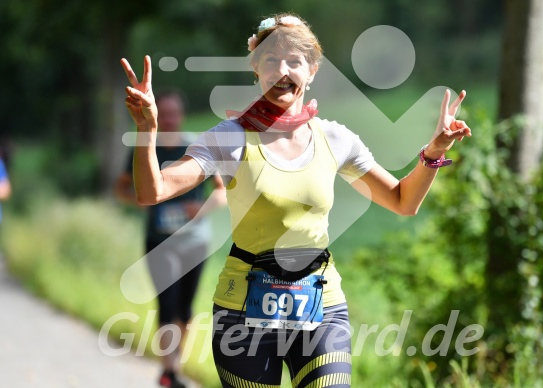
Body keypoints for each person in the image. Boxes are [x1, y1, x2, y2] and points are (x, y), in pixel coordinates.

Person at [120, 13, 471, 388]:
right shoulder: (229, 139)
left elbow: (403, 201)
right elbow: (152, 191)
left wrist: (433, 153)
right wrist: (147, 131)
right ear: (256, 69)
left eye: (294, 60)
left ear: (313, 70)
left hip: (321, 304)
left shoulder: (337, 140)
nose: (282, 70)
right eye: (270, 60)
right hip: (243, 311)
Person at [114, 89, 226, 388]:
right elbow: (121, 188)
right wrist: (139, 199)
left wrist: (200, 208)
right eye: (164, 113)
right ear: (156, 116)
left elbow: (222, 191)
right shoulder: (144, 149)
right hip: (159, 241)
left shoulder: (196, 147)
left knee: (186, 310)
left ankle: (174, 365)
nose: (170, 119)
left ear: (182, 114)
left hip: (195, 242)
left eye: (174, 113)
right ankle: (168, 373)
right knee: (167, 303)